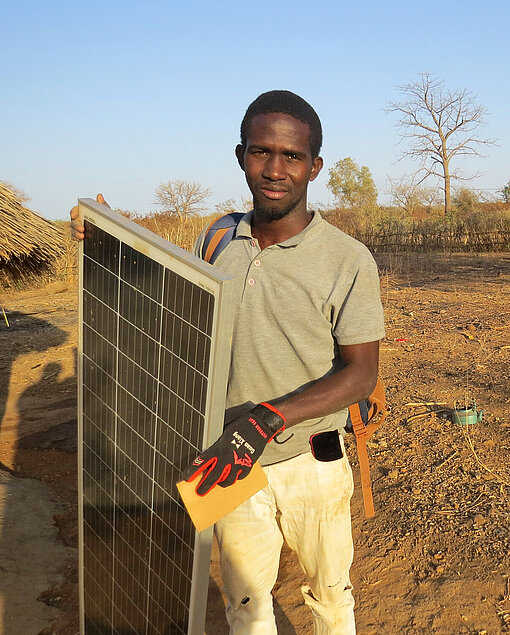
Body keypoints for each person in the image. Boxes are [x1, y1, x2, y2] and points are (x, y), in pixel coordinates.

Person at [71, 90, 385, 634]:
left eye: (291, 156)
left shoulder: (347, 259)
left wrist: (269, 417)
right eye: (261, 152)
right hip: (229, 460)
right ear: (240, 155)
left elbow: (361, 373)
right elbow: (180, 322)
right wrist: (111, 241)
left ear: (315, 165)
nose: (275, 169)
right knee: (244, 602)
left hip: (312, 460)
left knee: (330, 595)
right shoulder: (216, 238)